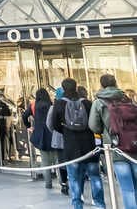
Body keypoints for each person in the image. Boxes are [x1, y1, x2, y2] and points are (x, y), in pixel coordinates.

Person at [49, 78, 104, 209]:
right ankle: (100, 205)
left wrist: (66, 130)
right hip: (90, 147)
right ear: (76, 87)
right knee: (95, 177)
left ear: (63, 88)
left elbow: (54, 124)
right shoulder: (87, 103)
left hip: (71, 147)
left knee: (74, 179)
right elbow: (94, 123)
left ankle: (77, 205)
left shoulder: (59, 104)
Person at [89, 74, 137, 209]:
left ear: (101, 85)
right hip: (134, 147)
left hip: (115, 149)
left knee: (127, 188)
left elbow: (93, 125)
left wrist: (104, 131)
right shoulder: (127, 98)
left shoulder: (99, 102)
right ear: (115, 83)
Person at [22, 88, 56, 189]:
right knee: (57, 159)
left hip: (40, 135)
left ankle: (48, 183)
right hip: (52, 134)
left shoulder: (33, 105)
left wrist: (28, 126)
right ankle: (63, 182)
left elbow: (24, 116)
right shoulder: (51, 105)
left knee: (45, 160)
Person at [47, 87, 70, 195]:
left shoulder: (54, 107)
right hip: (72, 138)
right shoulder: (72, 104)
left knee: (62, 161)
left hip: (59, 138)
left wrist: (55, 131)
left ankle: (64, 183)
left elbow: (49, 123)